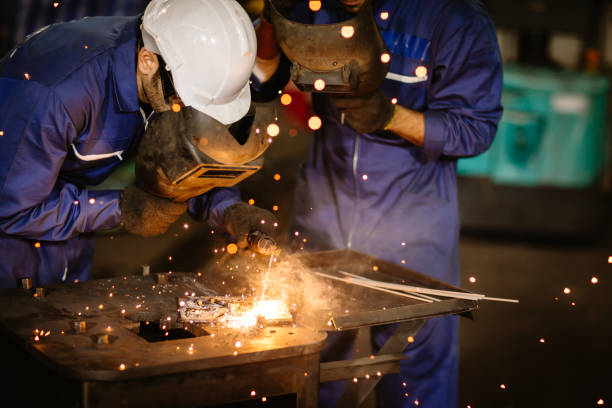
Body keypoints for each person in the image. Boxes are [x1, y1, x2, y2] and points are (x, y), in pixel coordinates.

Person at [252, 0, 503, 406]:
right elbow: (263, 80)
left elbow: (475, 129)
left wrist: (389, 115)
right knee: (303, 359)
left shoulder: (455, 20)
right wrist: (269, 29)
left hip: (412, 223)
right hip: (324, 210)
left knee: (414, 370)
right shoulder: (310, 5)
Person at [0, 0, 278, 289]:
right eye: (183, 100)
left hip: (69, 238)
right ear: (147, 60)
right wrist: (119, 209)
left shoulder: (169, 66)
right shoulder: (54, 95)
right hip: (10, 249)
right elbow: (11, 208)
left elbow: (185, 161)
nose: (184, 112)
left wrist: (226, 208)